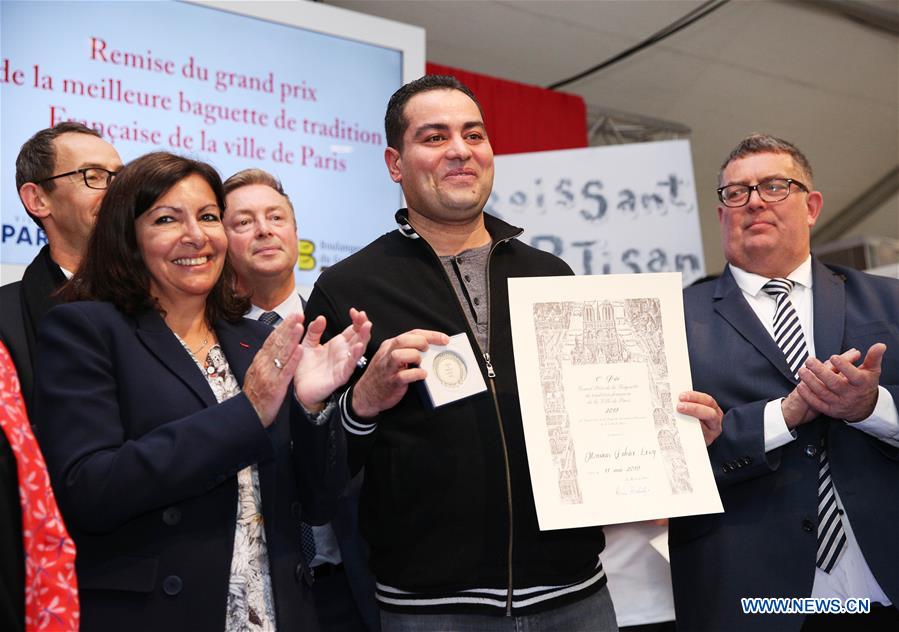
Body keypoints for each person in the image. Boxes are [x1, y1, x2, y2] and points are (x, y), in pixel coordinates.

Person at [304, 75, 618, 631]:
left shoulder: (551, 274)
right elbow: (315, 476)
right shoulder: (349, 288)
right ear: (395, 163)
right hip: (431, 609)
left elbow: (597, 420)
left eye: (473, 134)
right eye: (434, 137)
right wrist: (363, 401)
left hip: (577, 594)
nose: (459, 150)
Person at [33, 152, 371, 631]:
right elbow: (90, 489)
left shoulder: (252, 342)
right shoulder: (85, 330)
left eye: (208, 217)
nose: (196, 235)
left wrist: (311, 407)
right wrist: (246, 412)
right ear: (127, 238)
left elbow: (315, 504)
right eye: (167, 219)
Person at [670, 134, 899, 631]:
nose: (753, 201)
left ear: (811, 205)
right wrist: (781, 415)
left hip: (884, 583)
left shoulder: (889, 301)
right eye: (736, 192)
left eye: (775, 186)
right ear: (721, 215)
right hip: (752, 596)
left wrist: (872, 406)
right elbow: (659, 461)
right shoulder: (671, 321)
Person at [224, 168, 379, 632]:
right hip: (259, 593)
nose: (265, 230)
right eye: (244, 221)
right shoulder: (206, 345)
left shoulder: (348, 331)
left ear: (295, 232)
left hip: (354, 579)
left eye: (276, 217)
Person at [0, 122, 123, 417]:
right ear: (38, 200)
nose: (116, 192)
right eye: (93, 176)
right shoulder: (5, 319)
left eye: (120, 178)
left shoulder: (165, 300)